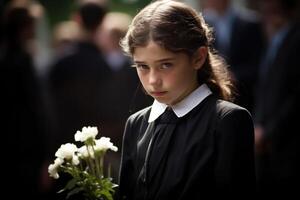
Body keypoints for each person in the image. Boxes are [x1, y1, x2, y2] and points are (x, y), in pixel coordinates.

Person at [117, 0, 255, 199]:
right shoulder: (136, 124)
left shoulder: (227, 120)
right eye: (143, 67)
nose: (153, 80)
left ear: (198, 58)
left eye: (166, 65)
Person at [253, 0, 300, 197]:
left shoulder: (296, 38)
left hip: (288, 147)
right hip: (269, 146)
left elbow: (295, 97)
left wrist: (268, 131)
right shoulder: (275, 37)